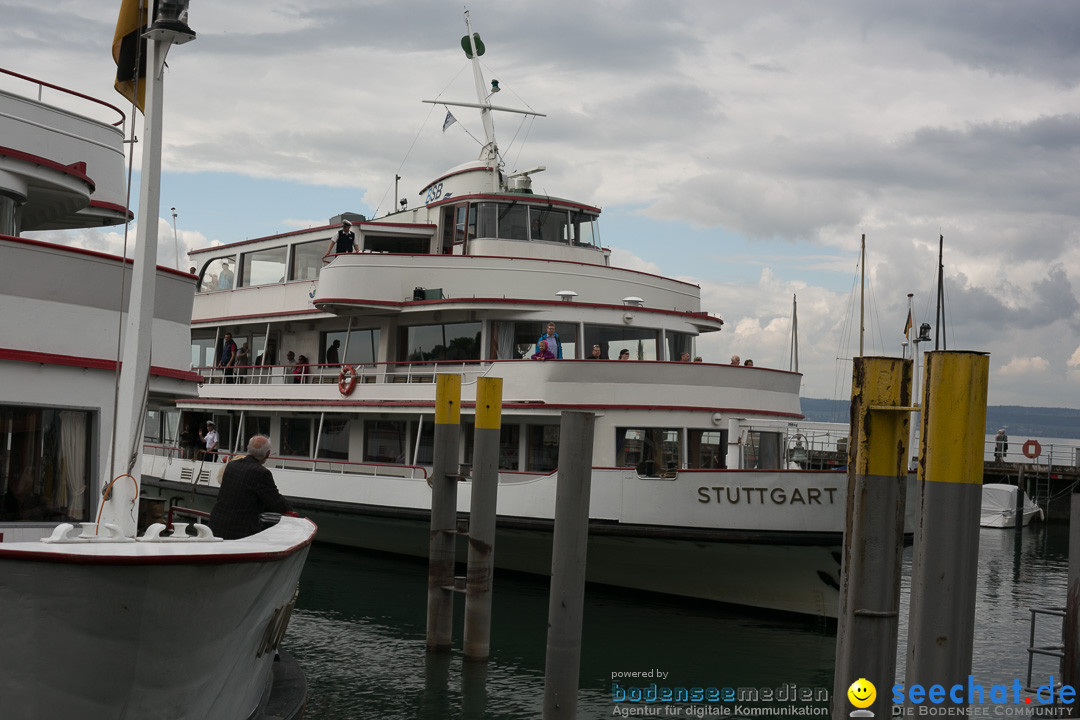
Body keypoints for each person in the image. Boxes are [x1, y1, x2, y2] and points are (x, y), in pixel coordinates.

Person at [208, 435, 295, 540]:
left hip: (215, 526)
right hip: (239, 533)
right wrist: (291, 511)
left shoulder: (231, 465)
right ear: (267, 454)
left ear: (247, 449)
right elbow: (276, 502)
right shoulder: (262, 473)